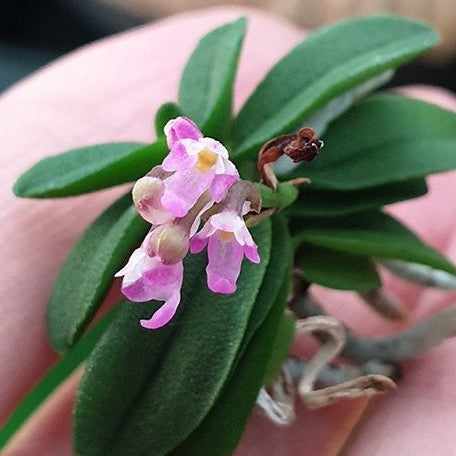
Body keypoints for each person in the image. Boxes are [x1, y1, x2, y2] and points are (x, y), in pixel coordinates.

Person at [1, 7, 455, 455]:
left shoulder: (224, 187)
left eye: (205, 161)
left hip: (257, 197)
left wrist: (232, 217)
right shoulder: (191, 193)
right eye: (196, 158)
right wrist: (201, 208)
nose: (199, 165)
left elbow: (222, 209)